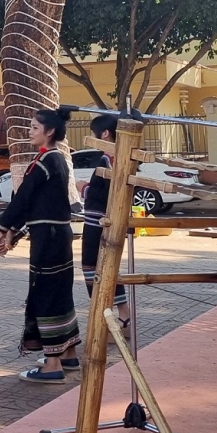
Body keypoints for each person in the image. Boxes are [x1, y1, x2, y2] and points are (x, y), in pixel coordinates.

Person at [0, 108, 81, 383]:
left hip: (49, 238)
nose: (29, 132)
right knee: (58, 291)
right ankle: (68, 353)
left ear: (49, 131)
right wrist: (14, 231)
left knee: (46, 292)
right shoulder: (54, 160)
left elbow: (24, 198)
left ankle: (52, 363)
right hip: (55, 234)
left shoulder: (47, 161)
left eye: (34, 127)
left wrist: (2, 227)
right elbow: (38, 205)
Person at [78, 114, 130, 347]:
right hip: (110, 221)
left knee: (93, 268)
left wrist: (84, 188)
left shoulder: (106, 161)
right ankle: (123, 316)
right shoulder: (122, 158)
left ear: (105, 134)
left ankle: (107, 319)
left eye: (94, 133)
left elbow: (102, 195)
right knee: (108, 267)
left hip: (97, 223)